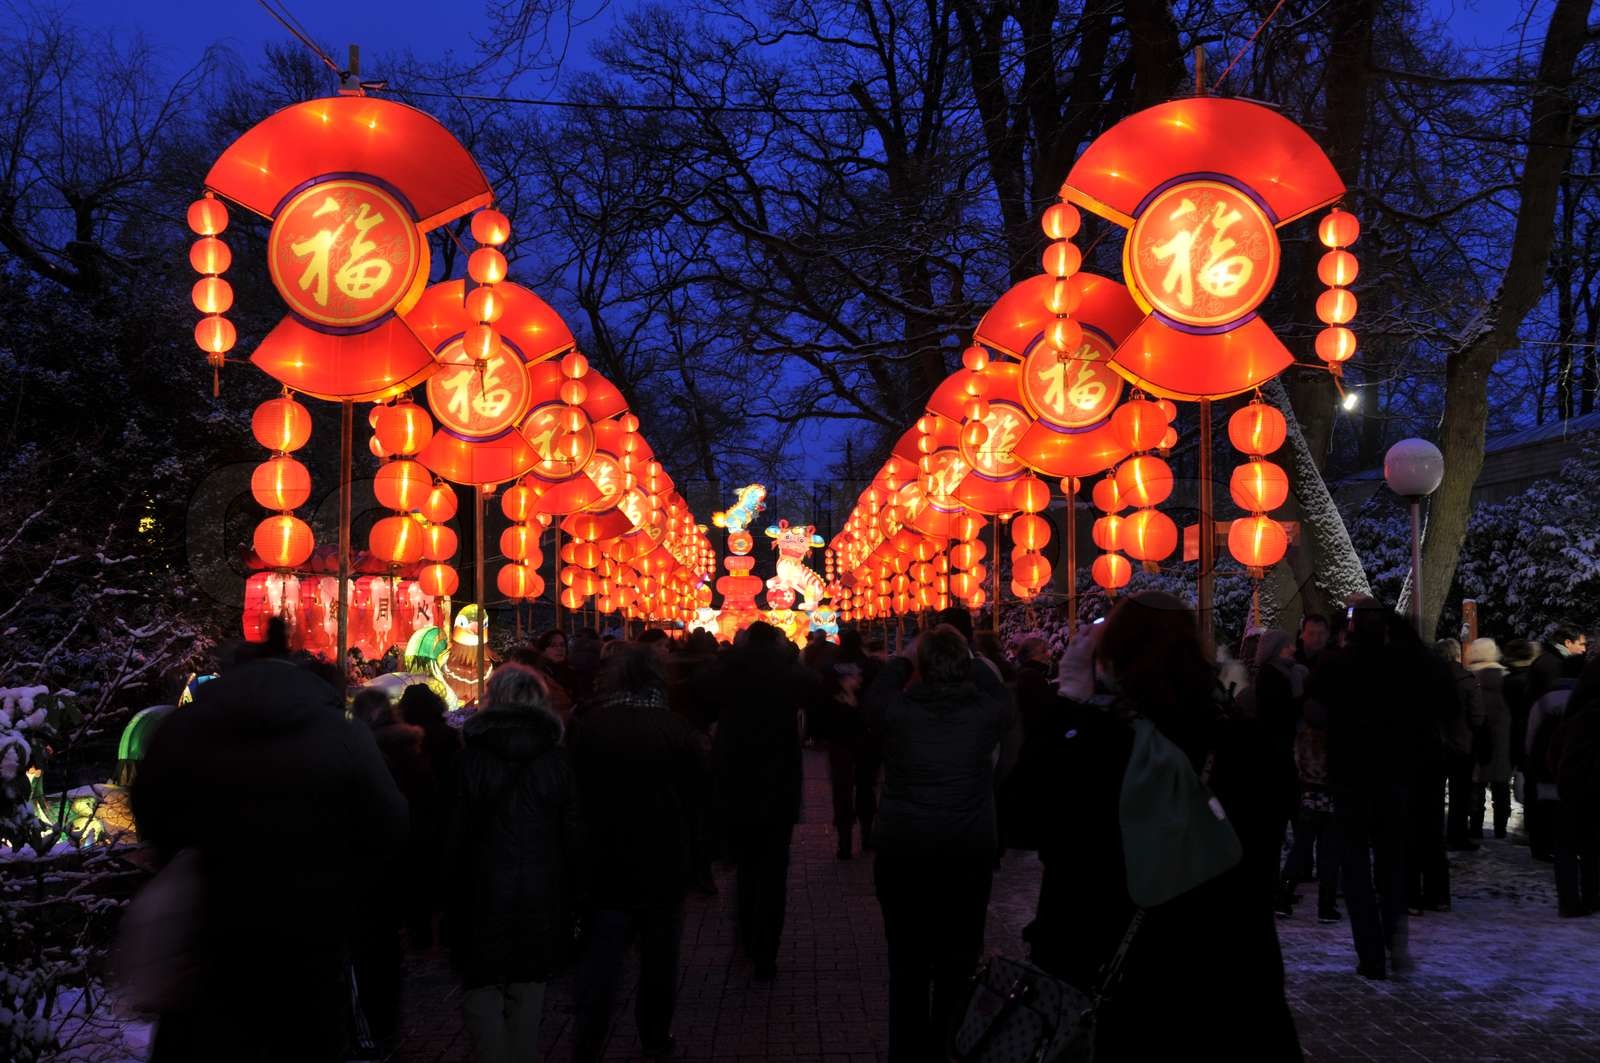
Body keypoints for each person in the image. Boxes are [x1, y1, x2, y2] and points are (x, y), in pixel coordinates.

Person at [1008, 592, 1301, 1058]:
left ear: (1112, 662)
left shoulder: (1098, 748)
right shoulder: (1245, 743)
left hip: (1122, 985)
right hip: (1231, 981)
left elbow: (1022, 819)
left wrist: (1066, 702)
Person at [132, 634, 408, 1062]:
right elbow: (390, 819)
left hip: (208, 930)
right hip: (311, 928)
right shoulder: (340, 732)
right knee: (302, 1037)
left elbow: (149, 810)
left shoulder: (186, 727)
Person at [865, 625, 1014, 1062]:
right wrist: (967, 653)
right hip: (966, 852)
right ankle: (949, 1046)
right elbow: (1000, 692)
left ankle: (907, 1054)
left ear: (922, 668)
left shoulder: (896, 714)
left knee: (906, 965)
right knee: (959, 960)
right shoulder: (986, 715)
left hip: (904, 851)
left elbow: (874, 698)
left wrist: (903, 659)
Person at [570, 645, 710, 1058]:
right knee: (659, 955)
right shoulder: (675, 728)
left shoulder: (592, 725)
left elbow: (574, 789)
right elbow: (698, 795)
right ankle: (654, 1032)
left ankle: (591, 1034)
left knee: (602, 953)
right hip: (663, 857)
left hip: (604, 856)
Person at [442, 664, 580, 1063]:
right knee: (529, 981)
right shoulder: (557, 761)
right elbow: (573, 834)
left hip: (480, 889)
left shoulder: (467, 762)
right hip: (543, 887)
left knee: (480, 983)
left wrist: (442, 896)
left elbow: (451, 837)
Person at [1307, 598, 1433, 980]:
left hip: (1349, 776)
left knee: (1356, 866)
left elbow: (1312, 709)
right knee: (1393, 865)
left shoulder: (1336, 665)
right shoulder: (1405, 666)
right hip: (1394, 777)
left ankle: (1370, 953)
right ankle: (1395, 943)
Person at [704, 622, 815, 979]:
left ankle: (747, 933)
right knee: (773, 868)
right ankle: (766, 949)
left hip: (735, 776)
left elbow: (699, 694)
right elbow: (815, 693)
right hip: (779, 779)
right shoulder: (790, 672)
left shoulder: (727, 670)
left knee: (745, 863)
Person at [398, 684, 461, 950]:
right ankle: (445, 932)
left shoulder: (403, 738)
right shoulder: (448, 734)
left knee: (416, 877)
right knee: (442, 873)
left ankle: (420, 934)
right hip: (443, 811)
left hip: (413, 814)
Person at [1548, 657, 1600, 916]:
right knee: (1593, 844)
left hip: (1573, 783)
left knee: (1567, 844)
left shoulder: (1576, 713)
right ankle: (1593, 896)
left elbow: (1554, 751)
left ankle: (1569, 901)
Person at [818, 660, 876, 859]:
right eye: (855, 676)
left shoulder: (850, 698)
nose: (859, 679)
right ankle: (855, 839)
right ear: (845, 679)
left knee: (847, 791)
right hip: (853, 748)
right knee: (858, 790)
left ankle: (852, 840)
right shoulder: (851, 700)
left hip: (844, 749)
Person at [1435, 638, 1485, 852]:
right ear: (1457, 655)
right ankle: (1457, 835)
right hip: (1462, 744)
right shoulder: (1467, 680)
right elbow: (1477, 715)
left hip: (1434, 743)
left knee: (1434, 794)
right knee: (1460, 794)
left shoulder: (1427, 680)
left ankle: (1433, 834)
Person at [1464, 638, 1513, 840]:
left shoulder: (1469, 677)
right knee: (1501, 785)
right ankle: (1501, 828)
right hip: (1502, 737)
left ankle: (1475, 827)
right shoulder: (1506, 678)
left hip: (1476, 736)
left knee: (1476, 785)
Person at [1530, 624, 1589, 702]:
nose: (1584, 649)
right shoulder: (1552, 663)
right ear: (1568, 643)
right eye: (1581, 644)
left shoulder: (1551, 658)